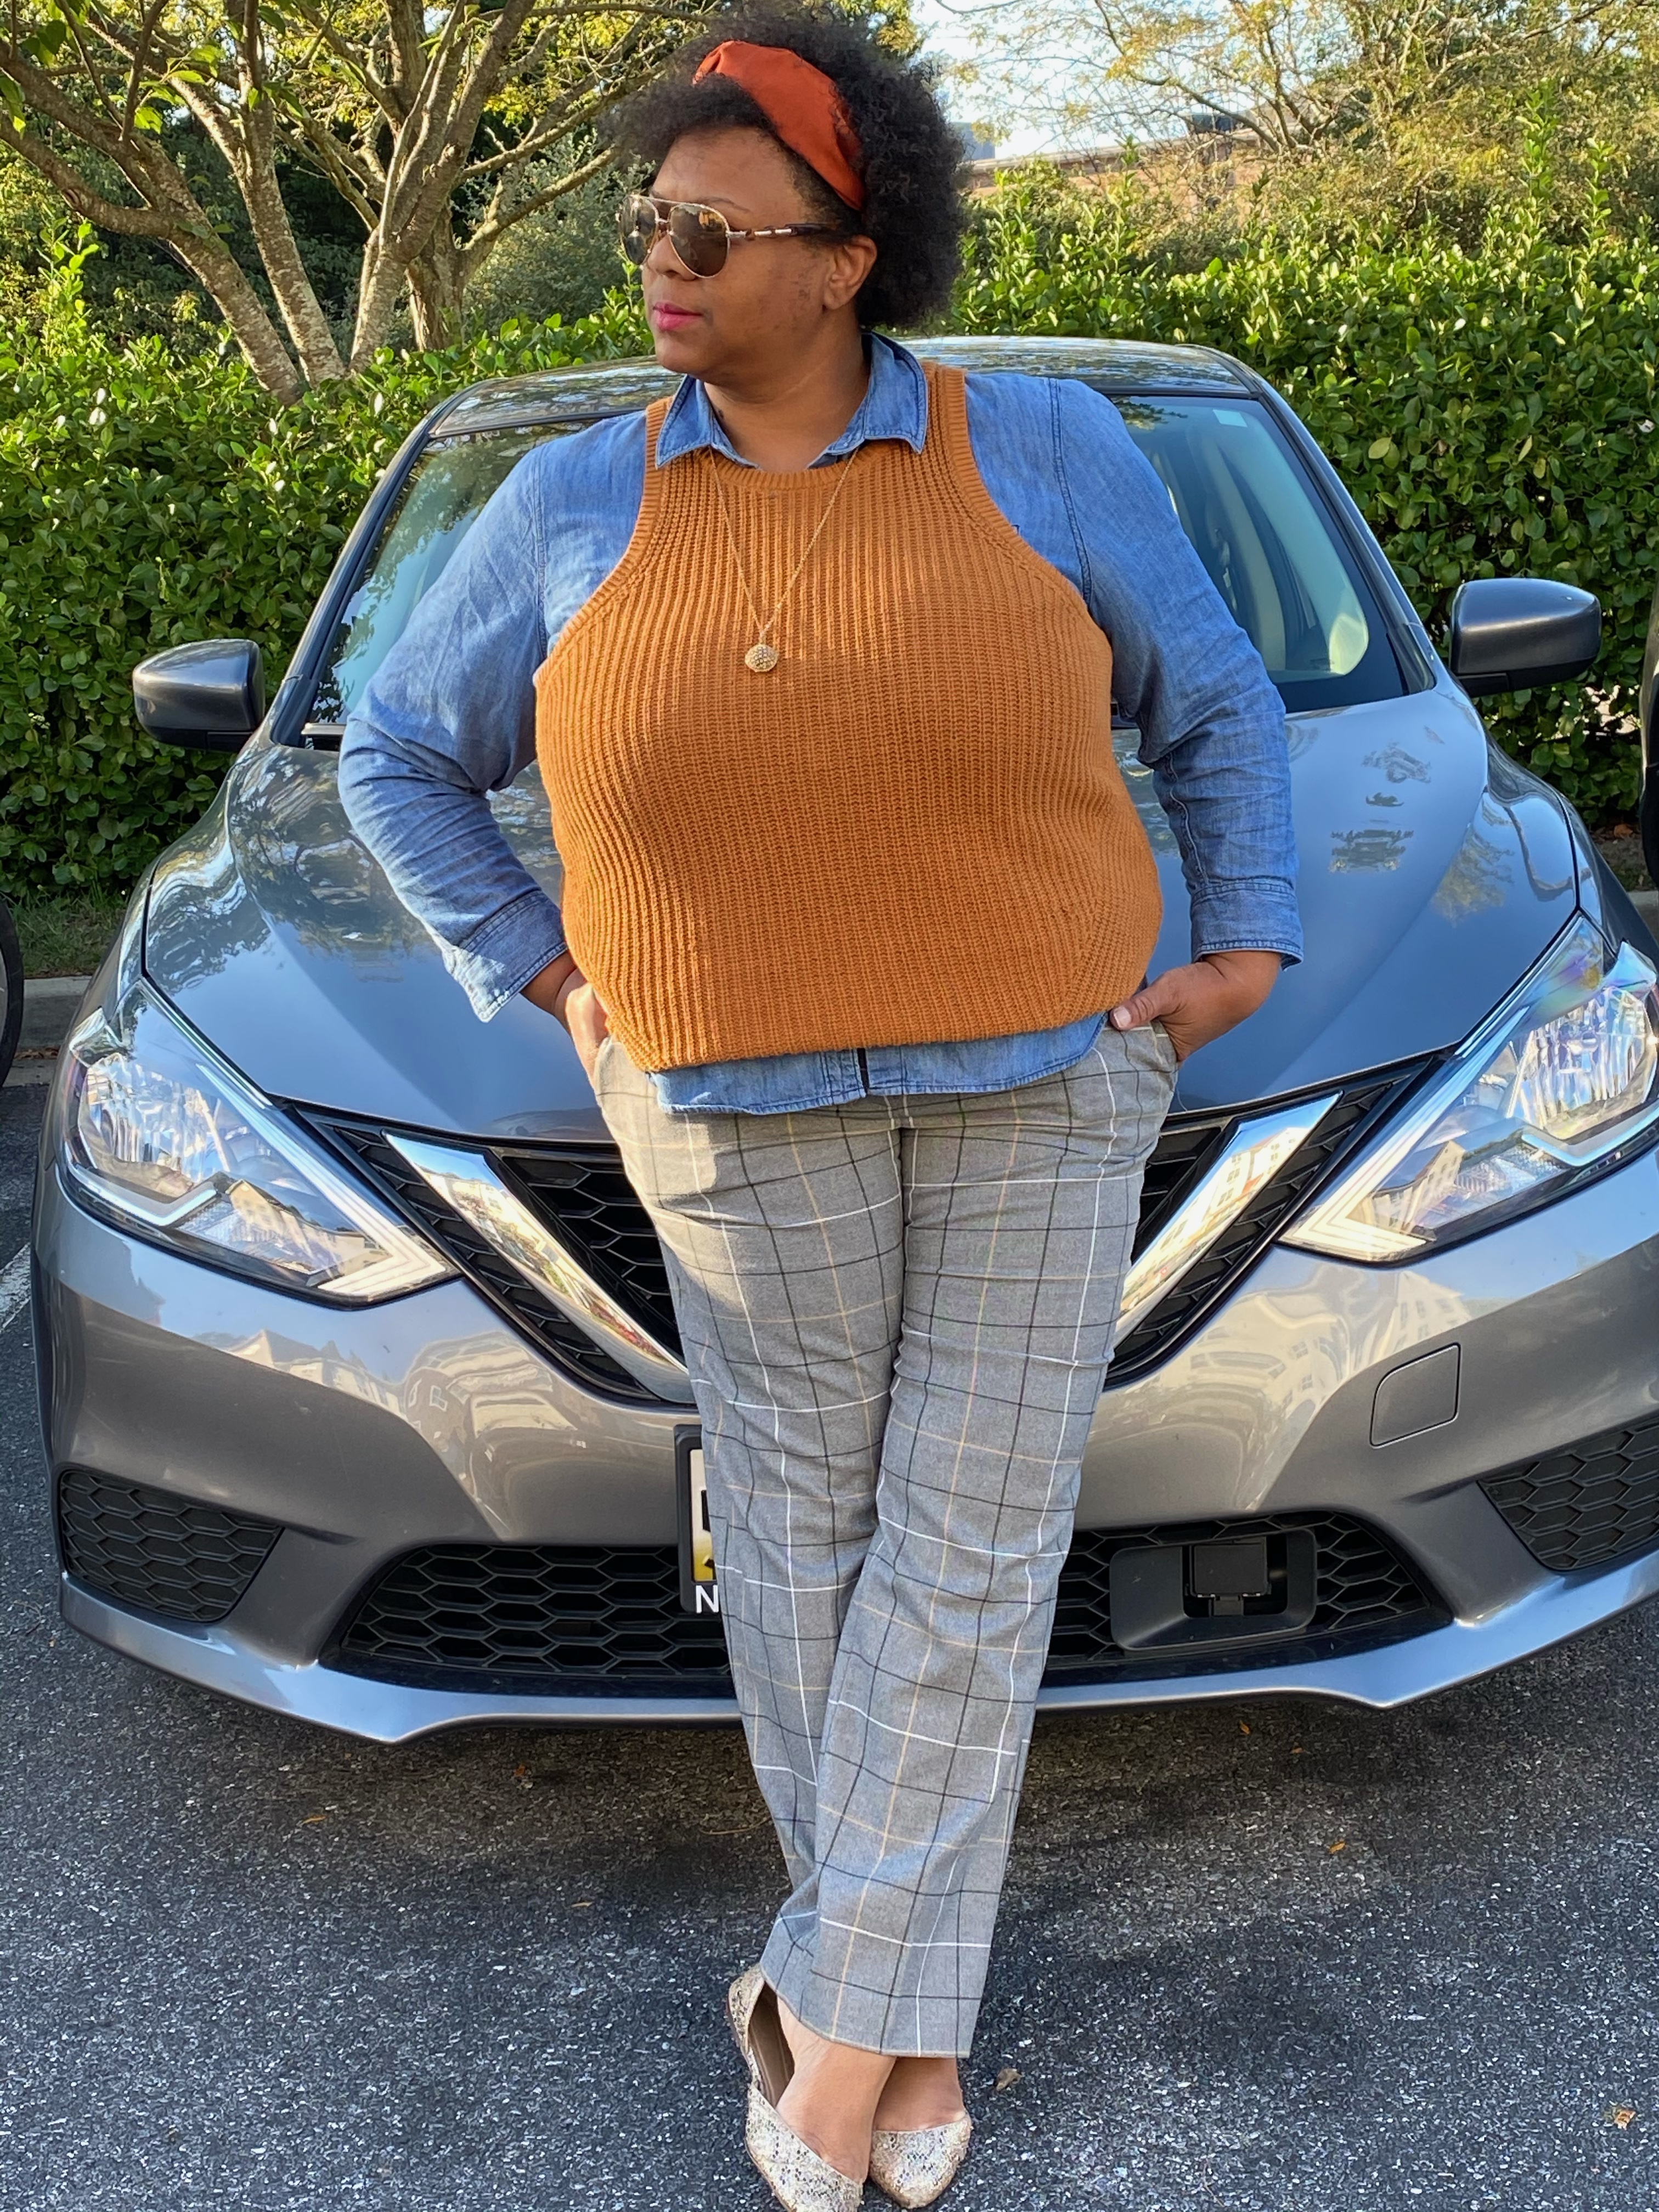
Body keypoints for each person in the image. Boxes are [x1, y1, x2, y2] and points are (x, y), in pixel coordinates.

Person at [339, 7, 1300, 2203]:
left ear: (852, 257)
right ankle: (896, 2014)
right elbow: (395, 753)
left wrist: (1243, 942)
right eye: (647, 221)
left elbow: (1221, 705)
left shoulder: (1037, 449)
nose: (659, 264)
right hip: (728, 1111)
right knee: (801, 1546)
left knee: (973, 1549)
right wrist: (556, 975)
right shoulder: (574, 497)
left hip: (1044, 1082)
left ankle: (839, 2033)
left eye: (712, 230)